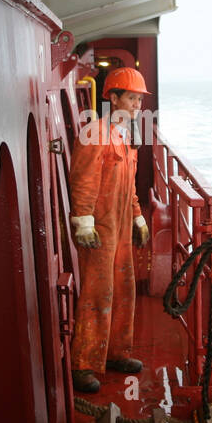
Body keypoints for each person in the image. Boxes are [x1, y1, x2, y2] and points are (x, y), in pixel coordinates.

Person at [68, 66, 152, 393]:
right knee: (97, 293)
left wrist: (138, 218)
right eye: (131, 98)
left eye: (139, 99)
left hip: (119, 228)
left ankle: (117, 353)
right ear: (113, 97)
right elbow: (84, 182)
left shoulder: (126, 136)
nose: (136, 105)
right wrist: (83, 222)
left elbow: (129, 186)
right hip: (100, 229)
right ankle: (83, 364)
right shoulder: (96, 133)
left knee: (123, 288)